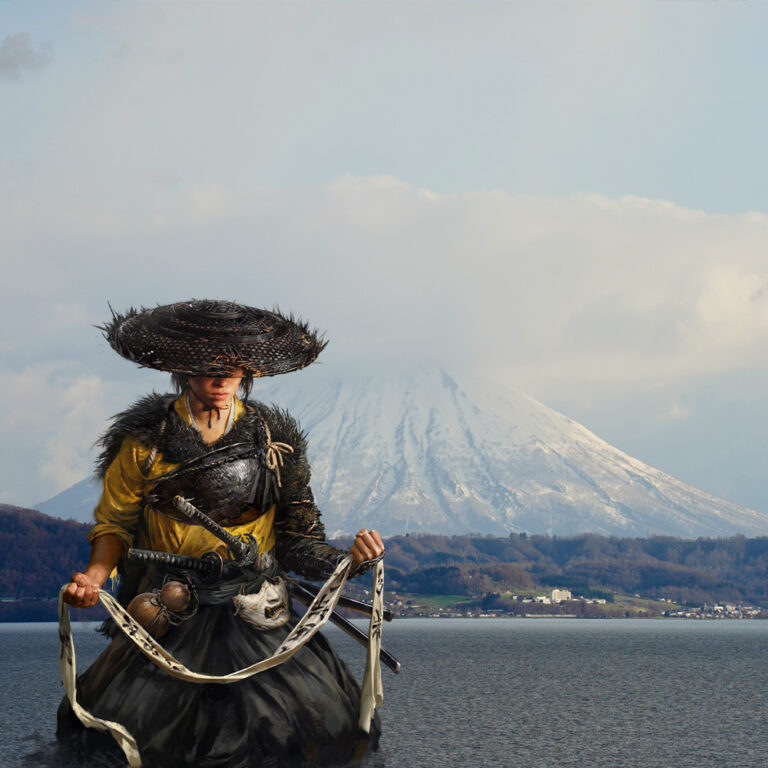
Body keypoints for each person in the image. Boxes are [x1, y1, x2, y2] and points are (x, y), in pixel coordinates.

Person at [57, 300, 386, 768]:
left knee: (321, 729)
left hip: (256, 610)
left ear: (247, 369)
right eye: (208, 365)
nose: (220, 376)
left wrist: (349, 561)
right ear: (183, 369)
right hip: (167, 611)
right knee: (121, 737)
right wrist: (93, 577)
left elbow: (297, 538)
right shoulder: (144, 443)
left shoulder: (275, 442)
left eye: (231, 365)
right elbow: (116, 526)